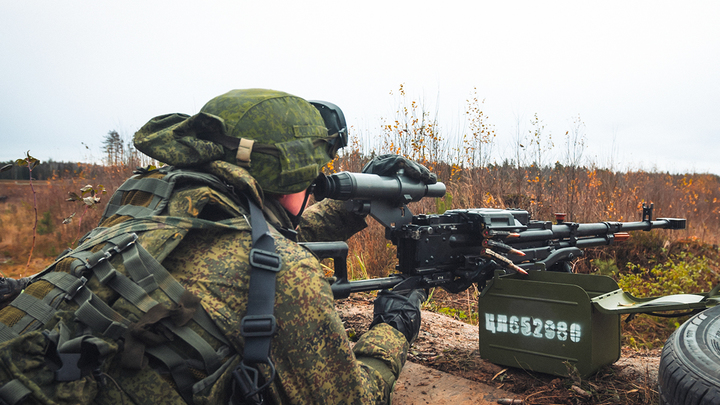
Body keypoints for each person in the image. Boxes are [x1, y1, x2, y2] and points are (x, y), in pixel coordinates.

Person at [0, 89, 431, 405]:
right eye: (310, 177)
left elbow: (248, 244)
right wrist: (395, 325)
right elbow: (351, 399)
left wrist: (354, 203)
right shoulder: (287, 275)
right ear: (288, 180)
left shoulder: (148, 207)